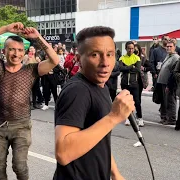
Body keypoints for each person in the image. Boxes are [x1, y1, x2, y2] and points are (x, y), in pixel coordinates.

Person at [0, 22, 59, 180]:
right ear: (4, 51)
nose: (16, 54)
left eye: (20, 50)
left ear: (24, 51)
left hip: (21, 126)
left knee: (19, 166)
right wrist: (5, 29)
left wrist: (38, 37)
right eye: (11, 49)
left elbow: (54, 60)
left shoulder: (31, 70)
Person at [54, 26, 134, 180]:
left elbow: (99, 137)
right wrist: (114, 117)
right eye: (95, 55)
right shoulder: (77, 91)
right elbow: (63, 153)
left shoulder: (100, 85)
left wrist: (115, 173)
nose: (105, 62)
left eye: (110, 54)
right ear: (78, 58)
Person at [119, 41, 144, 127]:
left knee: (137, 102)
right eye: (129, 48)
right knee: (126, 102)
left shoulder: (137, 58)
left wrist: (127, 67)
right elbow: (121, 68)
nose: (131, 50)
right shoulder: (122, 58)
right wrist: (130, 67)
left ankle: (140, 118)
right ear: (126, 48)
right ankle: (128, 118)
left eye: (132, 48)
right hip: (125, 83)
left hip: (135, 83)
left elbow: (137, 69)